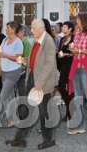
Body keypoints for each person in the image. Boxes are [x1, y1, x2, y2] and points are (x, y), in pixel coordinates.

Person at [6, 18, 57, 150]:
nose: (31, 30)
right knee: (26, 109)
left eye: (34, 28)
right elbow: (34, 59)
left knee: (43, 112)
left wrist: (39, 84)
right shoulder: (37, 40)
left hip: (42, 83)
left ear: (41, 28)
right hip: (33, 78)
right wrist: (24, 60)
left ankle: (48, 140)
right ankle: (19, 139)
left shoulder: (48, 42)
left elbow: (49, 65)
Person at [0, 22, 24, 126]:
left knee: (3, 95)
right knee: (10, 96)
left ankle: (8, 117)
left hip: (14, 71)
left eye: (8, 28)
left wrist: (5, 55)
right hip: (4, 70)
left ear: (13, 29)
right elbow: (0, 52)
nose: (6, 30)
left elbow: (19, 59)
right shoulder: (4, 40)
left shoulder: (18, 42)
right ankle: (12, 119)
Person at [56, 21, 74, 119]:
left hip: (71, 66)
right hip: (63, 67)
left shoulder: (74, 38)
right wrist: (59, 54)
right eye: (62, 27)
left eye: (65, 27)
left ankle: (69, 112)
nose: (63, 28)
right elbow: (59, 51)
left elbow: (75, 53)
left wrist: (65, 54)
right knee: (61, 87)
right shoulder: (62, 39)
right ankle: (69, 106)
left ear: (70, 29)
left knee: (71, 89)